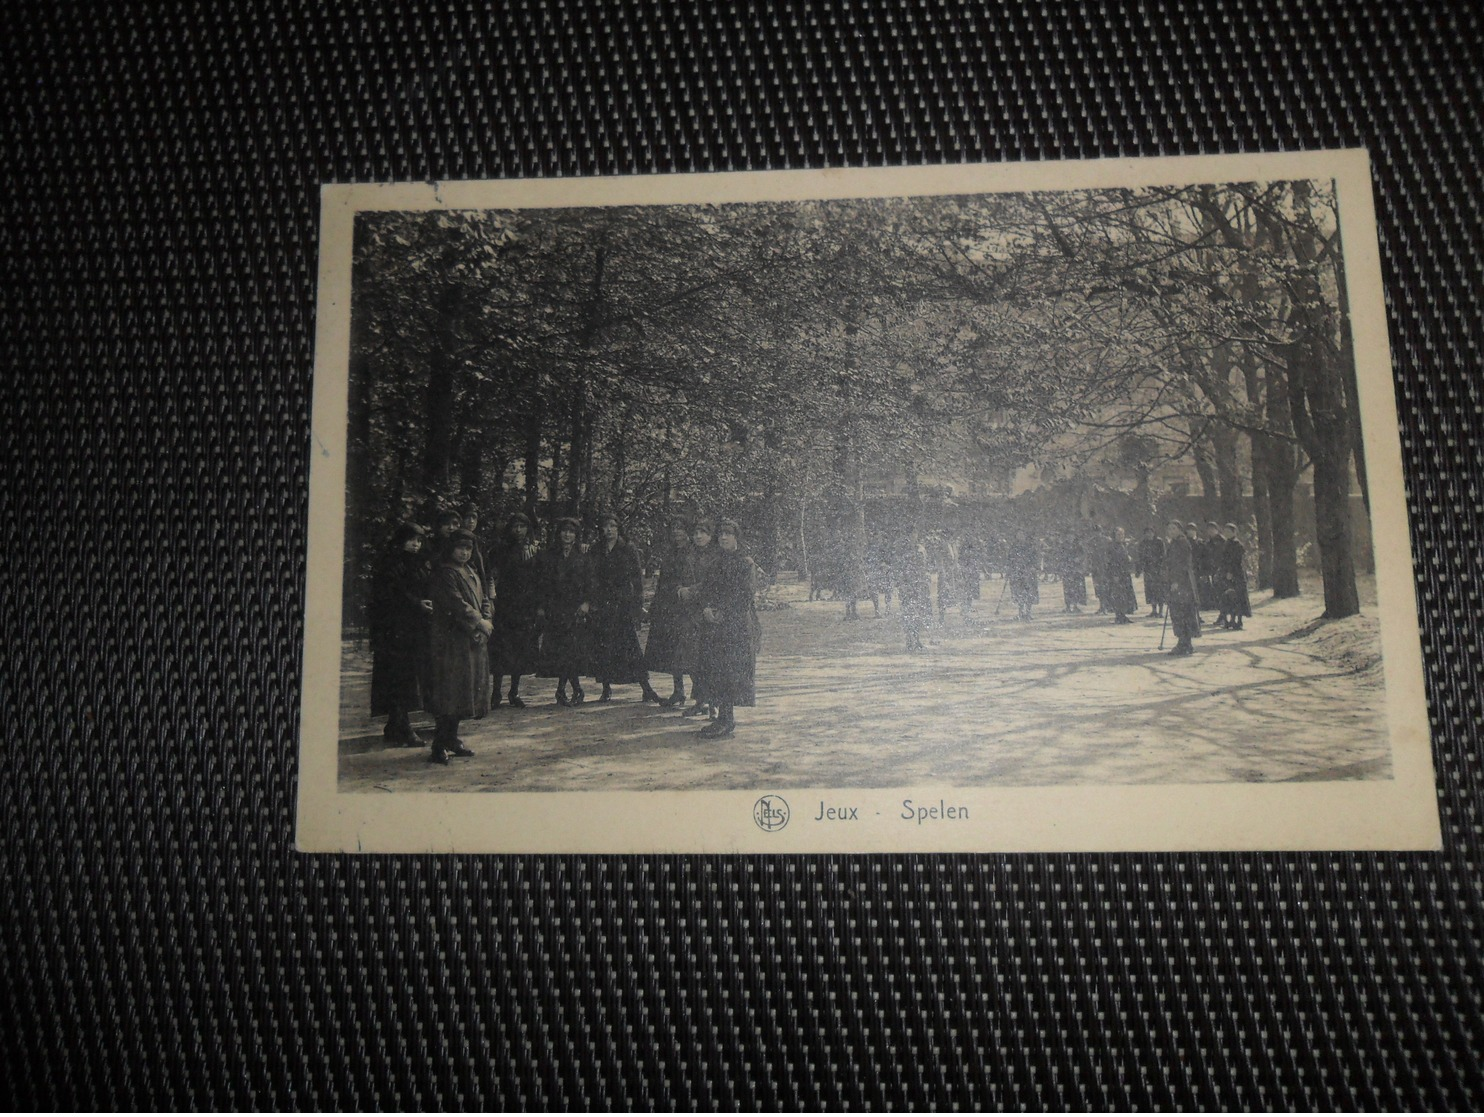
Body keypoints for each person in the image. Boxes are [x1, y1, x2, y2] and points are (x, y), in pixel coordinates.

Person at [423, 529, 491, 763]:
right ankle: (438, 745)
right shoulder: (445, 573)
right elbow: (456, 604)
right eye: (460, 547)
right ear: (451, 548)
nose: (464, 552)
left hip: (471, 640)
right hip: (451, 640)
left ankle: (452, 738)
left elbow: (484, 600)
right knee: (450, 691)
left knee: (464, 691)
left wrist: (486, 619)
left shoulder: (471, 570)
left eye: (468, 548)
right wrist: (479, 622)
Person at [584, 513, 663, 704]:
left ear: (619, 528)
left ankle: (646, 688)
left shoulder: (628, 549)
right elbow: (589, 577)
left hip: (622, 606)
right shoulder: (596, 550)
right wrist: (591, 600)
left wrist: (637, 606)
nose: (609, 530)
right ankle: (606, 689)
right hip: (602, 605)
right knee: (604, 648)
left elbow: (637, 579)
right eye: (605, 526)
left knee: (630, 647)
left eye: (613, 526)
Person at [694, 519, 761, 738]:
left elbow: (745, 596)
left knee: (730, 671)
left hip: (736, 626)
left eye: (728, 534)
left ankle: (727, 719)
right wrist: (706, 608)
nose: (723, 537)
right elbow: (706, 589)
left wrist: (723, 612)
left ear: (736, 537)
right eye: (721, 534)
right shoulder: (715, 562)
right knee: (715, 670)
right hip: (714, 624)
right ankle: (722, 718)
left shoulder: (745, 563)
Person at [368, 523, 432, 747]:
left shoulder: (418, 563)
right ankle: (404, 727)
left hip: (412, 629)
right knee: (397, 676)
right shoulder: (389, 563)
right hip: (393, 630)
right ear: (400, 540)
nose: (416, 545)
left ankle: (394, 725)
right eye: (411, 540)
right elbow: (389, 595)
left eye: (419, 540)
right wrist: (417, 604)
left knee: (406, 676)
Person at [489, 512, 542, 708]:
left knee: (520, 648)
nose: (518, 530)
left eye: (522, 526)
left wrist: (537, 606)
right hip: (504, 605)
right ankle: (496, 693)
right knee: (501, 649)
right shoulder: (500, 550)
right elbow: (492, 576)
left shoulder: (534, 551)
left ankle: (514, 692)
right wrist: (492, 600)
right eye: (515, 526)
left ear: (528, 529)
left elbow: (539, 580)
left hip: (525, 606)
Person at [540, 517, 589, 706]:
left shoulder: (583, 557)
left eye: (571, 532)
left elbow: (589, 582)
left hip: (575, 610)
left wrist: (586, 603)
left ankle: (565, 690)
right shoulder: (550, 556)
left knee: (570, 651)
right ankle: (572, 689)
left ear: (576, 536)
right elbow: (543, 583)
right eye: (564, 531)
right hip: (555, 609)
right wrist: (543, 607)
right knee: (562, 651)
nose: (567, 535)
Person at [645, 517, 695, 706]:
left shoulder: (693, 551)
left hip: (686, 605)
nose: (677, 532)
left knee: (689, 652)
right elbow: (664, 580)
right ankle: (678, 691)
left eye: (681, 528)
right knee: (674, 651)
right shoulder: (670, 552)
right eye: (674, 528)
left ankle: (702, 696)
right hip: (669, 606)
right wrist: (656, 605)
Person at [677, 517, 720, 717]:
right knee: (692, 659)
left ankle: (714, 704)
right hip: (689, 613)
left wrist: (691, 591)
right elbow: (681, 577)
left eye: (703, 532)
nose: (698, 536)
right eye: (695, 533)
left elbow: (713, 583)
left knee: (710, 660)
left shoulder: (716, 556)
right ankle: (701, 700)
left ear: (711, 536)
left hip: (708, 611)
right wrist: (679, 589)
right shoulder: (689, 554)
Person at [1164, 519, 1202, 656]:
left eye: (1174, 529)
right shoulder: (1174, 543)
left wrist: (1176, 581)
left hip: (1183, 583)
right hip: (1177, 582)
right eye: (1169, 529)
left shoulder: (1183, 543)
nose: (1171, 531)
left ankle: (1185, 643)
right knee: (1178, 612)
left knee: (1184, 612)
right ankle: (1183, 642)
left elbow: (1184, 564)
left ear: (1180, 529)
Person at [896, 529, 931, 652]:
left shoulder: (920, 549)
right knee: (907, 614)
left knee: (918, 613)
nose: (913, 536)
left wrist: (924, 581)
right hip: (907, 586)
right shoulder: (903, 551)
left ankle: (916, 639)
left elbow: (924, 567)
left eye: (915, 534)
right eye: (911, 534)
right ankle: (909, 640)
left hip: (918, 586)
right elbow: (899, 569)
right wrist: (902, 585)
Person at [1218, 522, 1253, 630]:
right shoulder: (1226, 543)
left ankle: (1238, 621)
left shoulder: (1238, 545)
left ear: (1234, 532)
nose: (1227, 533)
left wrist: (1231, 572)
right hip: (1226, 573)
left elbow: (1236, 561)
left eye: (1229, 531)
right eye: (1225, 531)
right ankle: (1228, 620)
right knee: (1227, 597)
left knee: (1237, 597)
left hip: (1236, 574)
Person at [1102, 526, 1139, 624]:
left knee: (1125, 594)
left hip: (1124, 573)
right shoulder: (1112, 546)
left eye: (1122, 534)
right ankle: (1119, 615)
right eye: (1118, 534)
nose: (1121, 536)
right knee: (1118, 595)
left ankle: (1123, 615)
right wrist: (1115, 574)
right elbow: (1112, 561)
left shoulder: (1122, 545)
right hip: (1117, 574)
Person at [1007, 529, 1040, 621]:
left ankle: (1028, 613)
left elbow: (1035, 558)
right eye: (1018, 535)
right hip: (1017, 573)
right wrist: (1010, 569)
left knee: (1029, 593)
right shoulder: (1014, 547)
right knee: (1019, 593)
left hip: (1029, 573)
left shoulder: (1030, 546)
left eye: (1022, 534)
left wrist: (1034, 567)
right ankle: (1021, 613)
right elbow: (1010, 559)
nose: (1020, 536)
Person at [1136, 526, 1166, 617]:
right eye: (1147, 532)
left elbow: (1163, 555)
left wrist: (1162, 567)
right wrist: (1139, 570)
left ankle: (1161, 611)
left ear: (1154, 533)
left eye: (1151, 532)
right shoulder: (1143, 544)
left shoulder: (1159, 542)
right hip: (1148, 570)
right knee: (1150, 590)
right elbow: (1140, 557)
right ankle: (1154, 610)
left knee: (1159, 590)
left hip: (1158, 570)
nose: (1149, 534)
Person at [1059, 531, 1088, 613]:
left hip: (1076, 569)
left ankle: (1075, 605)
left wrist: (1079, 559)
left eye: (1072, 535)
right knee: (1067, 588)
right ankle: (1068, 606)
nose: (1070, 537)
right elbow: (1060, 556)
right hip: (1067, 569)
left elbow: (1083, 555)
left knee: (1076, 588)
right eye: (1068, 535)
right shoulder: (1063, 546)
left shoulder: (1078, 545)